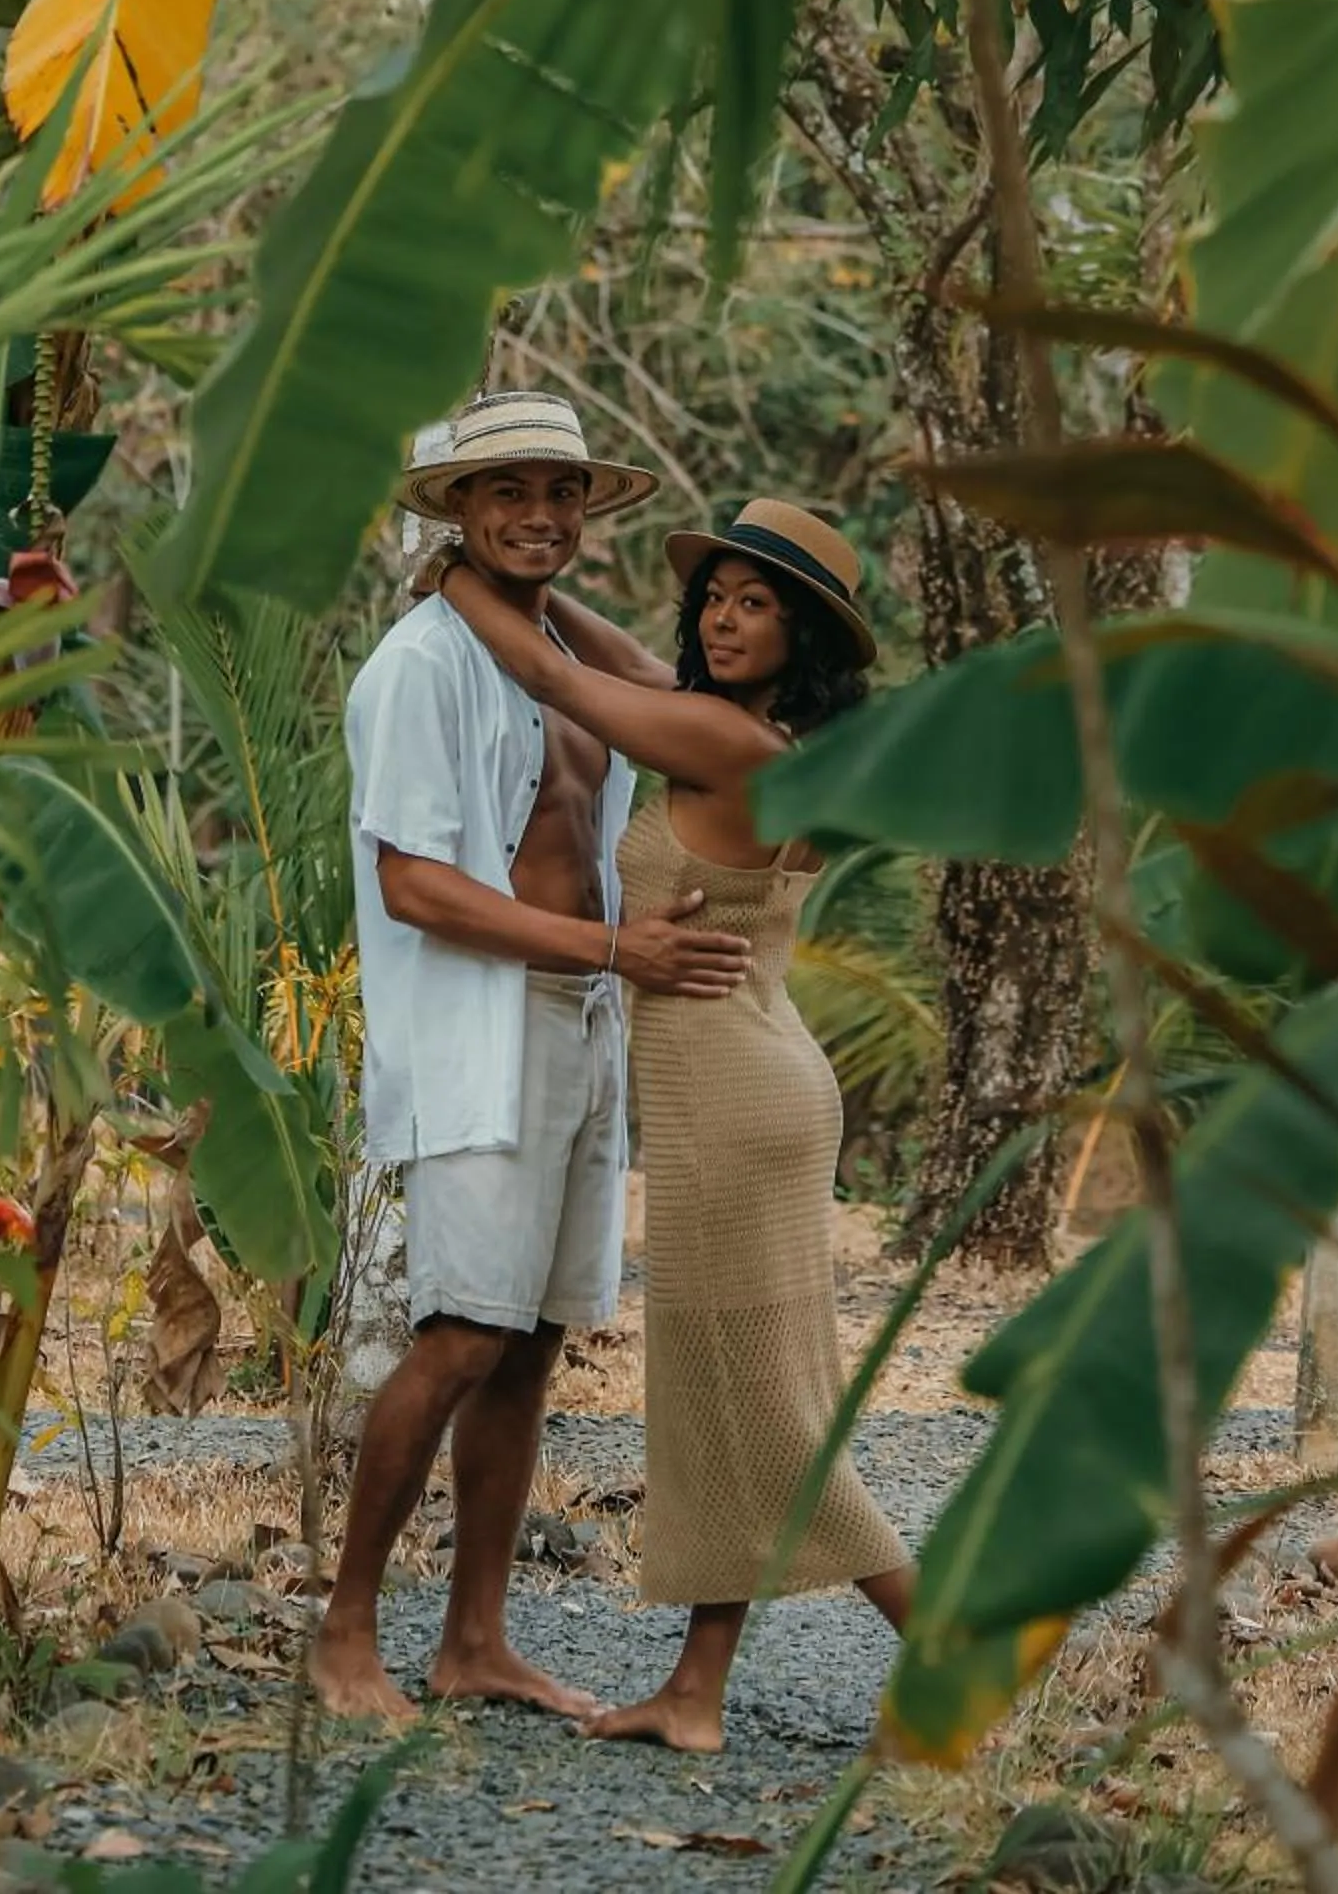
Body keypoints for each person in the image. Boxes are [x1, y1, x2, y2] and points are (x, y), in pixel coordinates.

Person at [310, 393, 757, 1726]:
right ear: (456, 506)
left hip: (584, 1019)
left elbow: (666, 698)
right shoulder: (420, 667)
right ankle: (345, 1635)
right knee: (459, 1334)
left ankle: (476, 1640)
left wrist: (616, 961)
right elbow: (414, 887)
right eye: (506, 490)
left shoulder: (558, 650)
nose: (541, 516)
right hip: (481, 1029)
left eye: (562, 492)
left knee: (529, 1344)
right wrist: (617, 948)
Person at [439, 496, 912, 1753]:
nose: (723, 618)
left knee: (767, 1414)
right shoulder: (758, 735)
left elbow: (553, 676)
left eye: (759, 604)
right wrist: (538, 587)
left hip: (729, 1107)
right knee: (724, 1397)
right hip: (760, 1083)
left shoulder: (723, 741)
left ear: (805, 637)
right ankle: (694, 1693)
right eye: (716, 597)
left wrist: (463, 571)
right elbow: (627, 664)